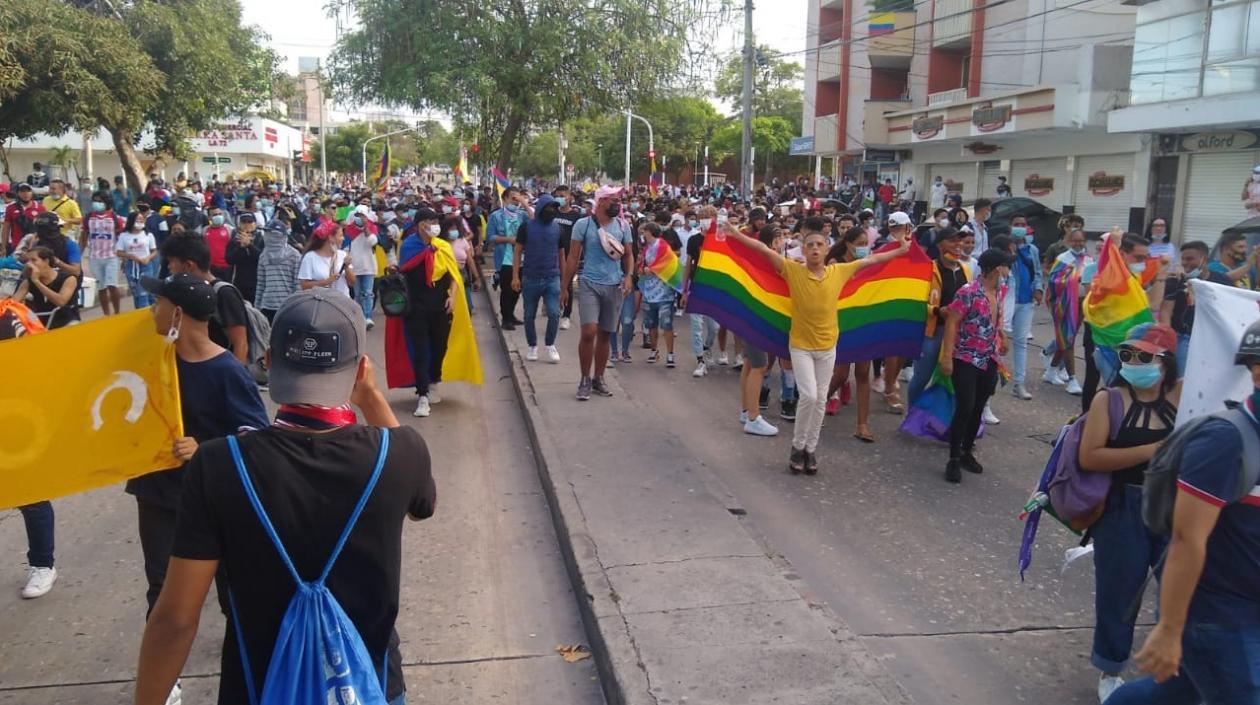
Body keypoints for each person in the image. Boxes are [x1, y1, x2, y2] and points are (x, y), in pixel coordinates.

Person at [121, 275, 273, 705]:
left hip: (214, 502)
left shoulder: (227, 371)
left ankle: (248, 671)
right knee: (162, 590)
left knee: (233, 593)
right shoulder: (153, 360)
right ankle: (165, 681)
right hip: (158, 498)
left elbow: (257, 437)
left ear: (179, 314)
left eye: (158, 303)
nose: (151, 310)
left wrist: (204, 448)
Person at [1105, 318, 1260, 705]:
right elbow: (1186, 538)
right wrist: (1171, 629)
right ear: (1257, 371)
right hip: (1218, 614)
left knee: (1176, 693)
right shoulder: (1226, 440)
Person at [726, 216, 910, 475]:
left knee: (820, 399)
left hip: (827, 347)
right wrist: (735, 234)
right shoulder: (793, 270)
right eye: (809, 244)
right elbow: (762, 249)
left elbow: (872, 260)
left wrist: (901, 250)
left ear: (826, 249)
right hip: (800, 345)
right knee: (809, 396)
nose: (814, 248)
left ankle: (809, 450)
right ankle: (796, 445)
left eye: (819, 245)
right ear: (803, 249)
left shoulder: (839, 272)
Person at [1077, 322, 1181, 703]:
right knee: (1118, 594)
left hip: (1176, 508)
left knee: (1179, 593)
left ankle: (1175, 672)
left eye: (1144, 356)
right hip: (1124, 507)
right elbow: (1090, 456)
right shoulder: (1109, 399)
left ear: (1167, 362)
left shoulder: (1184, 396)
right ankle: (1111, 669)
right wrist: (1155, 450)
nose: (1134, 362)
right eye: (1127, 354)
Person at [939, 248, 1010, 483]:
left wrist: (1002, 337)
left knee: (979, 405)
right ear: (994, 268)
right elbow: (952, 322)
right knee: (965, 406)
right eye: (1004, 266)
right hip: (965, 357)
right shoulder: (968, 292)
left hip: (988, 357)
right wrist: (947, 356)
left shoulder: (998, 292)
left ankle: (966, 451)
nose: (1007, 270)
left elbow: (995, 319)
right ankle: (952, 458)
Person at [560, 186, 634, 401]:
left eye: (618, 200)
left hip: (614, 285)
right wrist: (564, 287)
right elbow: (573, 258)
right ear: (601, 202)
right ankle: (584, 378)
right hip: (589, 283)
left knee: (605, 334)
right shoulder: (583, 225)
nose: (617, 204)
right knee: (589, 332)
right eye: (613, 200)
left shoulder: (623, 225)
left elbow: (629, 255)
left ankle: (598, 378)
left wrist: (629, 276)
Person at [397, 208, 459, 418]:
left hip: (440, 305)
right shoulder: (408, 246)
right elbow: (403, 273)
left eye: (436, 221)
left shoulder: (442, 246)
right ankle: (422, 395)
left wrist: (453, 296)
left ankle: (434, 381)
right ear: (421, 224)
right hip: (416, 307)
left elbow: (454, 275)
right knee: (421, 349)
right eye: (431, 221)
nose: (435, 224)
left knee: (440, 346)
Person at [160, 234, 250, 365]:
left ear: (188, 266)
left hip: (220, 372)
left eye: (171, 262)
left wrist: (232, 379)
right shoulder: (187, 293)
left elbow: (240, 344)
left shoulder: (224, 294)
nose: (169, 267)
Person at [825, 226, 878, 441]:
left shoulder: (867, 264)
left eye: (866, 244)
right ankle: (815, 405)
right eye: (859, 244)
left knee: (864, 373)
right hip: (841, 323)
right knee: (840, 374)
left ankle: (862, 425)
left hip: (863, 322)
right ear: (848, 244)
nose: (863, 248)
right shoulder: (835, 264)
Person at [909, 226, 970, 403]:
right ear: (940, 245)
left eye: (960, 240)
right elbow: (918, 300)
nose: (958, 244)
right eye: (952, 240)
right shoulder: (929, 268)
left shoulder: (966, 270)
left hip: (958, 333)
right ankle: (913, 414)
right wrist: (937, 311)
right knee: (922, 377)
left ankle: (944, 419)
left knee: (953, 378)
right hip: (932, 331)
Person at [1161, 241, 1232, 377]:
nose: (1186, 263)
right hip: (1183, 339)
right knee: (1182, 379)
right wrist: (1167, 341)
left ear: (1204, 259)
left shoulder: (1222, 281)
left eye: (1190, 259)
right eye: (1183, 259)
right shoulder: (1175, 281)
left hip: (1212, 339)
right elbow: (1166, 312)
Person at [512, 195, 564, 363]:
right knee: (529, 315)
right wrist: (515, 277)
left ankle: (550, 344)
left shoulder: (558, 229)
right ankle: (532, 345)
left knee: (555, 313)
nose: (552, 211)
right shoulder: (526, 227)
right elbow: (518, 252)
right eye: (549, 207)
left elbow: (562, 254)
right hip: (530, 278)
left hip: (552, 278)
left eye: (555, 208)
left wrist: (564, 283)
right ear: (541, 208)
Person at [1044, 225, 1091, 395]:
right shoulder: (1063, 259)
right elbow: (1054, 281)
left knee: (1066, 339)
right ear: (1070, 241)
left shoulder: (1088, 259)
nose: (1078, 244)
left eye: (1081, 241)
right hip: (1064, 305)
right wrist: (1073, 279)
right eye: (1075, 241)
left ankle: (1051, 369)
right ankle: (1072, 379)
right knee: (1068, 340)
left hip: (1081, 304)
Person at [1004, 217, 1042, 400]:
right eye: (1016, 224)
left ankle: (1019, 384)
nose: (1020, 228)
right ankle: (994, 382)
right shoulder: (1004, 247)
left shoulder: (1032, 249)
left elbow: (1038, 272)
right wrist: (1011, 250)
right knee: (999, 343)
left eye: (1022, 225)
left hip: (1026, 302)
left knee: (1021, 343)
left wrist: (1039, 289)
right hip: (1007, 301)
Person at [683, 206, 720, 378]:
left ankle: (707, 348)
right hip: (697, 286)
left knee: (714, 327)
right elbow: (688, 264)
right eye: (703, 216)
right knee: (696, 325)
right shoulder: (694, 240)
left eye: (710, 216)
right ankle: (700, 361)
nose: (707, 219)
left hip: (714, 288)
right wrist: (684, 290)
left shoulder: (721, 239)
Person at [637, 221, 678, 368]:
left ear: (650, 232)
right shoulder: (646, 248)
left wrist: (652, 269)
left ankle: (670, 354)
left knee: (666, 323)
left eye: (644, 231)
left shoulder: (663, 246)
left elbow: (668, 261)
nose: (643, 234)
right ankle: (654, 351)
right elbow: (643, 264)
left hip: (665, 291)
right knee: (651, 323)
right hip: (649, 291)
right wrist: (642, 268)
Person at [488, 187, 529, 330]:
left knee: (518, 289)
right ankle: (506, 318)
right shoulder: (496, 216)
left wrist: (525, 204)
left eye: (518, 198)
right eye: (513, 198)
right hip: (505, 258)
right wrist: (508, 239)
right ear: (504, 199)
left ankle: (510, 314)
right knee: (507, 290)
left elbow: (535, 221)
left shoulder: (522, 215)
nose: (515, 201)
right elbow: (490, 237)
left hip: (522, 258)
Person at [81, 191, 125, 316]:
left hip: (111, 256)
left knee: (112, 285)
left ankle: (117, 313)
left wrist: (124, 257)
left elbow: (121, 237)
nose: (97, 203)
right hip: (94, 257)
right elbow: (84, 236)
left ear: (106, 203)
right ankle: (106, 314)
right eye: (95, 201)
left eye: (100, 201)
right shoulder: (89, 218)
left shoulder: (115, 218)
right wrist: (79, 255)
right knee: (101, 287)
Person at [253, 223, 301, 322]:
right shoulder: (263, 255)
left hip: (287, 306)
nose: (267, 235)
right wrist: (257, 308)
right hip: (266, 306)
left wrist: (295, 307)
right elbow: (261, 283)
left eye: (270, 232)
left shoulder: (294, 255)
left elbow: (297, 284)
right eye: (266, 232)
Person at [552, 185, 583, 331]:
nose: (560, 198)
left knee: (567, 285)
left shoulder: (576, 216)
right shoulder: (551, 213)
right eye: (557, 195)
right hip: (552, 255)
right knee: (553, 284)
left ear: (570, 197)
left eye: (562, 195)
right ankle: (553, 308)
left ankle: (566, 315)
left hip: (569, 256)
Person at [299, 222, 355, 297]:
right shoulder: (310, 257)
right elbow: (304, 286)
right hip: (321, 303)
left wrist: (346, 267)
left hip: (342, 302)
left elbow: (352, 282)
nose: (343, 238)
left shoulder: (342, 255)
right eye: (341, 235)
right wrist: (326, 282)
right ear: (330, 237)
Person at [116, 218, 159, 310]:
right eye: (137, 219)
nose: (140, 222)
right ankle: (140, 311)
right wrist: (130, 256)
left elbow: (154, 251)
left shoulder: (148, 235)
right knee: (136, 293)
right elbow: (119, 252)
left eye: (141, 220)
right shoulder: (124, 236)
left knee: (143, 290)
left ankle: (145, 313)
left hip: (146, 265)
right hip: (131, 266)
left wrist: (148, 258)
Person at [348, 211, 380, 329]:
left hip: (368, 267)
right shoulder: (349, 230)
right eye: (358, 216)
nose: (360, 218)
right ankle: (358, 318)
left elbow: (372, 242)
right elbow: (346, 247)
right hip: (354, 267)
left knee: (368, 293)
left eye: (363, 216)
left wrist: (365, 228)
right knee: (357, 294)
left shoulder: (372, 228)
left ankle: (368, 317)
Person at [224, 212, 261, 304]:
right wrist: (241, 247)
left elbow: (261, 258)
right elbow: (229, 260)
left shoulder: (261, 239)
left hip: (257, 282)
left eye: (250, 222)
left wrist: (249, 246)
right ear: (239, 224)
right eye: (244, 222)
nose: (247, 225)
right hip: (238, 282)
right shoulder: (234, 240)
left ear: (255, 224)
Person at [2, 184, 45, 256]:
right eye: (22, 191)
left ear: (32, 192)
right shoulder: (11, 208)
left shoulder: (40, 208)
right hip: (16, 246)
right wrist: (3, 246)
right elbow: (6, 228)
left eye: (28, 191)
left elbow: (44, 228)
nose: (26, 194)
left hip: (35, 247)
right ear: (17, 193)